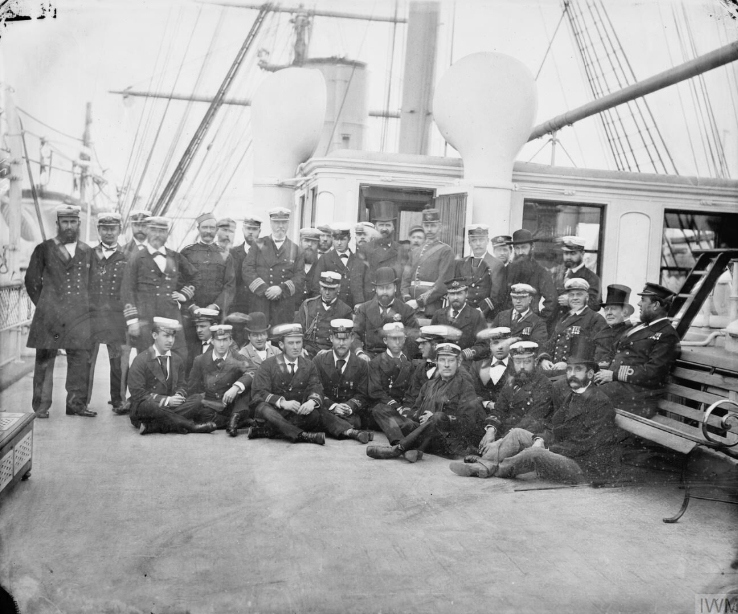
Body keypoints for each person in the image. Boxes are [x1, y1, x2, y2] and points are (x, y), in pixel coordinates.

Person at [451, 336, 621, 483]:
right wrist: (541, 438)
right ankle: (484, 463)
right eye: (569, 369)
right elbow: (556, 427)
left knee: (533, 453)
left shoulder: (600, 402)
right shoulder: (572, 395)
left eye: (578, 370)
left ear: (590, 374)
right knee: (517, 433)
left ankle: (488, 468)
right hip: (565, 451)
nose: (572, 374)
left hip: (584, 465)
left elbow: (588, 444)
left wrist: (548, 448)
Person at [25, 204, 95, 418]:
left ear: (78, 224)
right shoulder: (44, 249)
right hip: (49, 316)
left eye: (73, 222)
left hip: (78, 317)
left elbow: (93, 284)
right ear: (57, 224)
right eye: (64, 222)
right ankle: (41, 407)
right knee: (45, 360)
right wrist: (45, 305)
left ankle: (76, 405)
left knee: (79, 359)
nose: (69, 226)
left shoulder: (88, 252)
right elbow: (31, 281)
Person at [366, 343, 486, 463]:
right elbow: (414, 411)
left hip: (445, 440)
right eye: (442, 360)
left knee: (438, 417)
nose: (447, 365)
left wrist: (437, 418)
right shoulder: (429, 385)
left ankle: (399, 449)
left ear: (458, 363)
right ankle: (406, 446)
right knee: (380, 409)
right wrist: (421, 416)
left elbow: (468, 422)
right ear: (437, 362)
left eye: (451, 361)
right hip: (422, 434)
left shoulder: (465, 386)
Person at [594, 283, 681, 417]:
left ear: (656, 305)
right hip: (618, 385)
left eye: (643, 300)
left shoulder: (667, 334)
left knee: (584, 397)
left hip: (638, 394)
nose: (639, 304)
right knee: (566, 386)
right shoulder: (640, 327)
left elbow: (653, 373)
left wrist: (614, 374)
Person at [121, 216, 198, 362]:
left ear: (167, 234)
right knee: (147, 361)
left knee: (179, 357)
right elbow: (127, 291)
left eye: (162, 231)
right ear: (147, 231)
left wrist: (184, 294)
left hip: (171, 317)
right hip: (146, 320)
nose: (157, 234)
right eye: (154, 230)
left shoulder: (175, 257)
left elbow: (194, 277)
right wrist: (132, 321)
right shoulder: (137, 258)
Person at [128, 318, 216, 435]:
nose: (170, 340)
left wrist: (179, 395)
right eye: (166, 336)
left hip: (171, 408)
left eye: (173, 337)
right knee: (147, 405)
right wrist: (168, 401)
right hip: (150, 407)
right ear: (154, 335)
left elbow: (182, 385)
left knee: (198, 399)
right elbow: (137, 394)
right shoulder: (141, 360)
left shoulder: (177, 359)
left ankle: (154, 426)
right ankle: (190, 426)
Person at [472, 340, 555, 456]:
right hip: (507, 431)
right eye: (518, 361)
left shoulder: (544, 384)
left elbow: (532, 420)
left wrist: (501, 441)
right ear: (512, 362)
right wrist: (491, 430)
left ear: (535, 362)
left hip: (527, 434)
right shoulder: (511, 382)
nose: (521, 367)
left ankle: (486, 461)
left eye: (527, 362)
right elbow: (499, 409)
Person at [249, 323, 326, 445]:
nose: (295, 347)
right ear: (281, 345)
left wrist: (311, 402)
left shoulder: (309, 365)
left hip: (295, 413)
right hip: (274, 412)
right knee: (263, 408)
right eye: (291, 343)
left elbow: (315, 387)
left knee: (315, 415)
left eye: (298, 342)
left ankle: (268, 431)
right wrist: (282, 402)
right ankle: (302, 435)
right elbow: (259, 392)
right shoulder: (268, 364)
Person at [180, 212, 236, 365]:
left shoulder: (225, 255)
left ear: (216, 230)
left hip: (216, 315)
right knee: (190, 355)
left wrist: (216, 305)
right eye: (205, 227)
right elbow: (180, 282)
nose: (208, 231)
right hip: (192, 314)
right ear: (198, 228)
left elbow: (230, 286)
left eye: (212, 227)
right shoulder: (187, 253)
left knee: (216, 354)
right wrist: (191, 305)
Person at [87, 212, 128, 414]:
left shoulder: (126, 256)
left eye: (113, 229)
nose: (109, 232)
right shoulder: (89, 254)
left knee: (118, 361)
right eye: (105, 229)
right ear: (99, 230)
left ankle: (119, 400)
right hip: (92, 316)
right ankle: (81, 402)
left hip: (117, 318)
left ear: (119, 230)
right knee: (87, 361)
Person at [178, 324, 252, 430]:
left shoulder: (237, 357)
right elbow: (192, 387)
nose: (221, 344)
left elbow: (253, 371)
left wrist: (236, 387)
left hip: (231, 404)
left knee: (246, 385)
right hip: (211, 405)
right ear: (212, 341)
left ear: (230, 341)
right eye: (218, 340)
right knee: (203, 413)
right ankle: (235, 422)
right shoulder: (200, 360)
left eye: (225, 340)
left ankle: (235, 417)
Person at [243, 207, 306, 327]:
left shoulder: (296, 249)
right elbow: (247, 269)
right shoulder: (258, 244)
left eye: (284, 222)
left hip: (283, 306)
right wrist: (265, 289)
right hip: (260, 303)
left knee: (281, 339)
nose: (280, 226)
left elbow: (300, 276)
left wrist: (281, 289)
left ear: (288, 224)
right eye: (277, 222)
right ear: (271, 223)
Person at [313, 319, 373, 443]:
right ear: (331, 338)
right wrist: (333, 406)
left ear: (351, 338)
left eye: (345, 339)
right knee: (319, 413)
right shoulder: (319, 361)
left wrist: (349, 407)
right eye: (337, 339)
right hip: (327, 408)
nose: (341, 343)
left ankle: (339, 428)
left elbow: (362, 394)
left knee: (355, 420)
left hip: (348, 412)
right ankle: (351, 432)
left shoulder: (361, 364)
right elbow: (315, 389)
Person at [538, 278, 607, 377]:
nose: (575, 298)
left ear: (586, 297)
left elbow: (599, 353)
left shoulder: (595, 319)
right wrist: (544, 359)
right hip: (555, 371)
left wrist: (569, 365)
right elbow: (550, 343)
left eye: (579, 294)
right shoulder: (563, 319)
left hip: (577, 374)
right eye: (571, 295)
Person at [227, 312, 282, 436]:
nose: (259, 338)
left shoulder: (276, 350)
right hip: (253, 394)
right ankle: (236, 418)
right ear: (249, 336)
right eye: (255, 335)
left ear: (267, 334)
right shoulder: (243, 353)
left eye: (262, 334)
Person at [353, 267, 418, 361]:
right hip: (370, 357)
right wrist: (359, 352)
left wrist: (402, 356)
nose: (384, 292)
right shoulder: (364, 309)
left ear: (395, 288)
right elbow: (355, 333)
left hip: (396, 358)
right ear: (375, 289)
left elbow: (414, 338)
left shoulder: (406, 310)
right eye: (380, 288)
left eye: (388, 288)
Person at [401, 208, 455, 318]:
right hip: (410, 306)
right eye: (426, 226)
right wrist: (406, 297)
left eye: (433, 225)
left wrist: (418, 302)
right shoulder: (415, 251)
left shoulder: (446, 251)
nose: (429, 229)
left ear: (439, 226)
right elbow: (405, 279)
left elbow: (442, 283)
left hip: (432, 306)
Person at [504, 229, 557, 325]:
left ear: (532, 247)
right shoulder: (508, 270)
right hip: (509, 324)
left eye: (524, 247)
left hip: (531, 326)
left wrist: (538, 323)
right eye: (517, 248)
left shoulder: (541, 272)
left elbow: (551, 302)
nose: (520, 252)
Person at [311, 222, 370, 308]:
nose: (339, 243)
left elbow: (363, 287)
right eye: (336, 239)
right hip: (331, 308)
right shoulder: (325, 259)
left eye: (342, 239)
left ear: (349, 239)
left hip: (353, 309)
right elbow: (316, 287)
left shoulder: (359, 261)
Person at [455, 224, 506, 320]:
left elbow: (496, 295)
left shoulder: (496, 264)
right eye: (474, 240)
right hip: (462, 314)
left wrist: (478, 311)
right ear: (469, 242)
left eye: (481, 240)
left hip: (485, 316)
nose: (478, 243)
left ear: (487, 241)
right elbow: (457, 290)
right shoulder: (461, 263)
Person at [430, 278, 488, 361]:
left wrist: (464, 354)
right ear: (447, 295)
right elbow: (432, 340)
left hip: (465, 362)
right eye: (452, 294)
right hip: (441, 361)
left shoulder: (476, 315)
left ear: (466, 293)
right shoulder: (439, 314)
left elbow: (483, 345)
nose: (455, 297)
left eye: (459, 293)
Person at [298, 271, 353, 358]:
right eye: (324, 288)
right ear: (320, 287)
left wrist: (332, 351)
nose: (327, 292)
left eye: (331, 289)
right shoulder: (308, 305)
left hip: (331, 354)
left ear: (338, 289)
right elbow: (298, 330)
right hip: (307, 352)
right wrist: (300, 348)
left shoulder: (345, 310)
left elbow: (346, 339)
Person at [552, 236, 601, 321]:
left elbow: (595, 305)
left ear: (582, 254)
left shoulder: (592, 278)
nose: (568, 257)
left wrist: (571, 302)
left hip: (578, 325)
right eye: (566, 253)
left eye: (573, 253)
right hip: (556, 326)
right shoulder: (558, 274)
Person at [362, 201, 406, 294]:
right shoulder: (365, 249)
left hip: (393, 298)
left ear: (393, 227)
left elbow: (404, 280)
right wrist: (359, 302)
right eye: (381, 225)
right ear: (375, 227)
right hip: (369, 300)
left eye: (388, 225)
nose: (384, 229)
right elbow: (357, 279)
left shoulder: (401, 250)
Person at [470, 327, 517, 412]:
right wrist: (486, 403)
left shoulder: (517, 366)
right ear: (490, 345)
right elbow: (470, 392)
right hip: (481, 413)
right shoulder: (477, 365)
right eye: (496, 343)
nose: (500, 348)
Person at [593, 284, 634, 369]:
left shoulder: (631, 332)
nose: (608, 313)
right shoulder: (601, 332)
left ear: (625, 312)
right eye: (606, 309)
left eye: (613, 309)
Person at [229, 216, 262, 315]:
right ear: (243, 230)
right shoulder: (233, 253)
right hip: (238, 305)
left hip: (259, 305)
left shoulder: (266, 253)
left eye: (254, 229)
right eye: (248, 228)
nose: (251, 232)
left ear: (259, 231)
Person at [299, 227, 321, 306]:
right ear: (300, 242)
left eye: (314, 242)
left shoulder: (321, 266)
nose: (310, 244)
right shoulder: (292, 264)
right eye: (306, 240)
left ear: (318, 244)